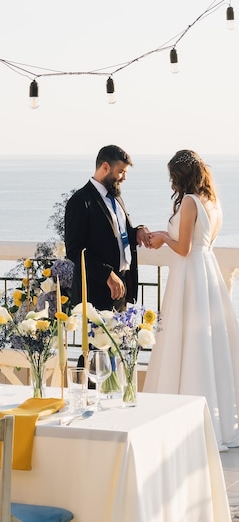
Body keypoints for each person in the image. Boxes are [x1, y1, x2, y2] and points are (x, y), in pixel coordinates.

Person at [143, 149, 239, 450]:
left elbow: (183, 248)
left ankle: (183, 417)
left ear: (179, 176)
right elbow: (200, 243)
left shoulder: (188, 201)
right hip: (206, 271)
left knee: (185, 342)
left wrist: (161, 238)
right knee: (206, 346)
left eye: (173, 177)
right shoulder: (213, 202)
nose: (172, 183)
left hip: (189, 274)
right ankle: (219, 420)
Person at [64, 144, 150, 313]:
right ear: (105, 167)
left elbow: (119, 234)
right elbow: (74, 250)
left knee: (120, 340)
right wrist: (107, 275)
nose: (124, 177)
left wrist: (138, 231)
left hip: (120, 291)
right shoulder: (80, 201)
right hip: (95, 293)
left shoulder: (116, 198)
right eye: (121, 172)